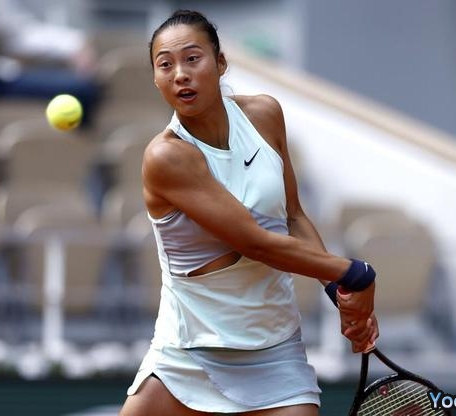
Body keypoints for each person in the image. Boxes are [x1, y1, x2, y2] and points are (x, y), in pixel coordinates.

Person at [120, 10, 379, 416]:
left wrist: (338, 293)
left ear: (221, 63)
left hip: (275, 348)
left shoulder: (265, 115)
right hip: (188, 353)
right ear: (155, 79)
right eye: (165, 65)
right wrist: (355, 275)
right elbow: (255, 243)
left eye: (192, 59)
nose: (180, 74)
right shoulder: (166, 156)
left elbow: (293, 217)